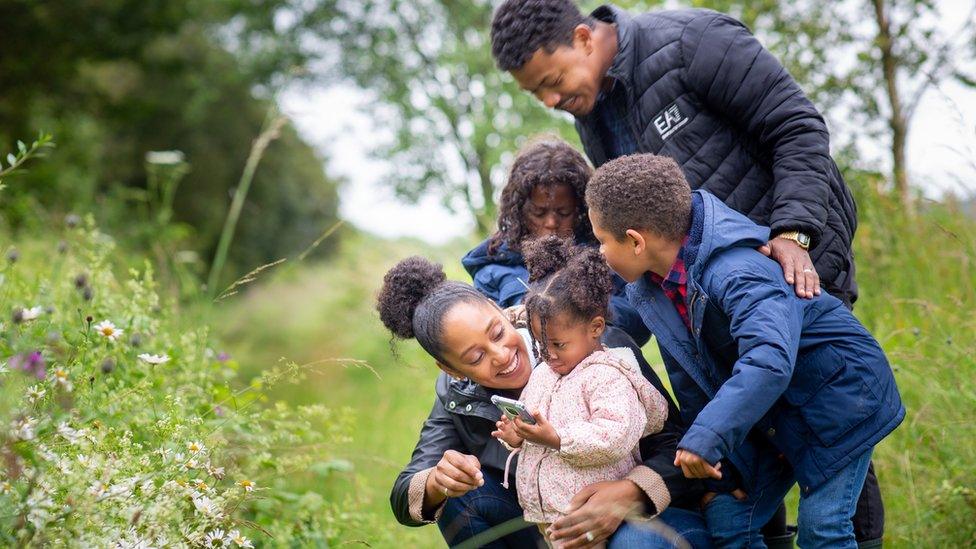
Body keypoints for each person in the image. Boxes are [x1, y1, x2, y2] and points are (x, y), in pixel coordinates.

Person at [490, 3, 883, 543]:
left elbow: (797, 127)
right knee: (745, 450)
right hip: (694, 300)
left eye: (552, 82)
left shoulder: (689, 42)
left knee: (826, 428)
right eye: (538, 95)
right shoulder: (594, 111)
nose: (552, 102)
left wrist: (793, 233)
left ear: (583, 37)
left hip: (790, 266)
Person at [585, 153, 904, 548]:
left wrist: (707, 437)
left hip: (840, 401)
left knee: (824, 525)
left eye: (601, 241)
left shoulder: (736, 269)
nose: (600, 253)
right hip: (774, 410)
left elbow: (768, 361)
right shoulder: (654, 287)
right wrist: (720, 456)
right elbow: (691, 379)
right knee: (729, 518)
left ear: (635, 241)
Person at [379, 256, 711, 548]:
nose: (501, 356)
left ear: (499, 309)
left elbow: (675, 444)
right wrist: (438, 481)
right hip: (551, 528)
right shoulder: (455, 393)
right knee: (457, 498)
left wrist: (629, 493)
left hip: (648, 523)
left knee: (634, 542)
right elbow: (403, 493)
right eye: (476, 356)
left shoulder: (589, 342)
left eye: (496, 333)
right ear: (450, 368)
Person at [491, 236, 670, 546]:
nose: (549, 354)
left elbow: (614, 434)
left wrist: (557, 439)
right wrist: (519, 435)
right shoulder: (545, 372)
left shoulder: (606, 374)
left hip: (589, 508)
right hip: (550, 510)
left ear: (596, 327)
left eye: (559, 344)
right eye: (540, 344)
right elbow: (537, 421)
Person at [462, 137, 650, 346]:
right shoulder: (492, 266)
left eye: (563, 211)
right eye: (539, 212)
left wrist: (583, 312)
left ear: (581, 208)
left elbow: (640, 317)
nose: (551, 222)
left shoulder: (604, 252)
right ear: (519, 209)